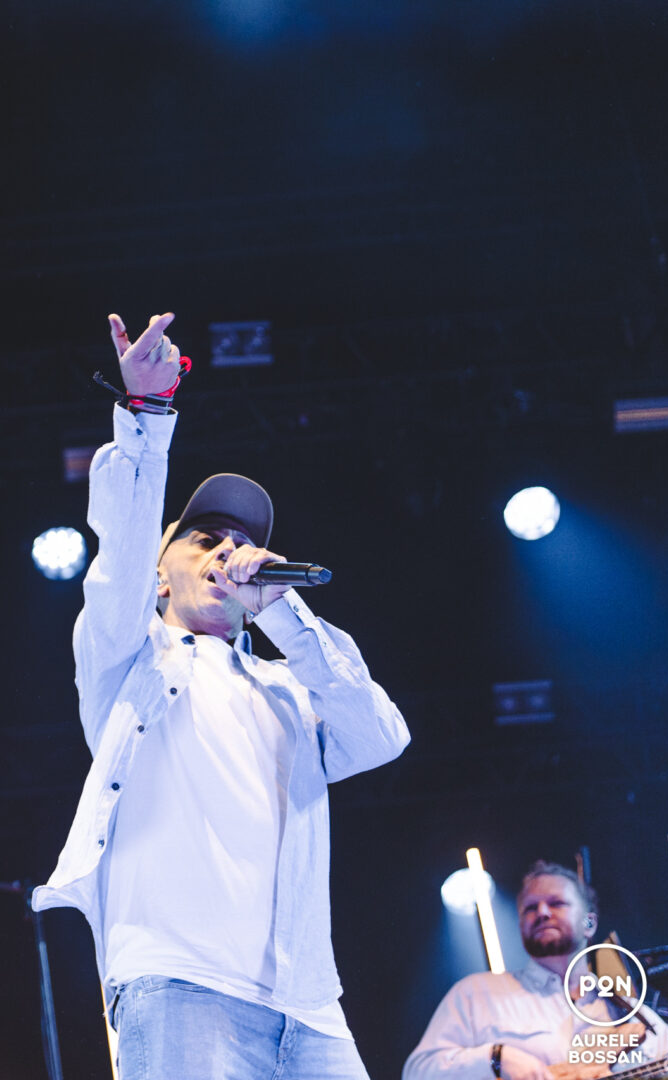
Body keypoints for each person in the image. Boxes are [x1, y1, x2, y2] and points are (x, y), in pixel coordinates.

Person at [31, 311, 411, 1079]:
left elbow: (381, 736)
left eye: (241, 542)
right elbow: (122, 551)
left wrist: (286, 614)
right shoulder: (128, 661)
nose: (228, 550)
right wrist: (146, 412)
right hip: (180, 983)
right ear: (161, 572)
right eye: (205, 539)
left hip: (308, 1004)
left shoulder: (289, 687)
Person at [404, 861, 668, 1080]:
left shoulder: (632, 1012)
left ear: (589, 923)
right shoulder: (476, 993)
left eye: (557, 903)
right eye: (530, 908)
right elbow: (417, 1073)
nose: (542, 912)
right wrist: (496, 1058)